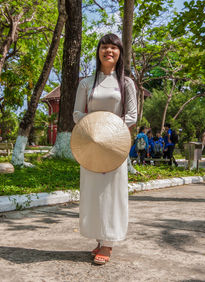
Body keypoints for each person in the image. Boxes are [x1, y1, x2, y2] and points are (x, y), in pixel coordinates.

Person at [73, 33, 137, 265]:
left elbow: (131, 115)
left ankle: (108, 243)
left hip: (114, 146)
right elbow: (77, 113)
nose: (108, 51)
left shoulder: (126, 83)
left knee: (112, 193)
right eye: (104, 47)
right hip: (91, 144)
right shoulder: (86, 83)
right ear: (98, 51)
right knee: (93, 193)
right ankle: (100, 238)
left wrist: (110, 129)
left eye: (113, 47)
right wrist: (95, 124)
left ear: (119, 53)